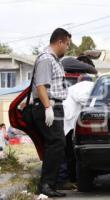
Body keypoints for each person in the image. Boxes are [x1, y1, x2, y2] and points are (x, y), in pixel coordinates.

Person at [31, 28, 71, 197]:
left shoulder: (54, 60)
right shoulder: (46, 59)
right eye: (67, 44)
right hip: (48, 106)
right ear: (59, 42)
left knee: (57, 145)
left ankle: (51, 184)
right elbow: (41, 86)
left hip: (54, 106)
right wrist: (48, 108)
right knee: (55, 144)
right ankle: (46, 185)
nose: (67, 48)